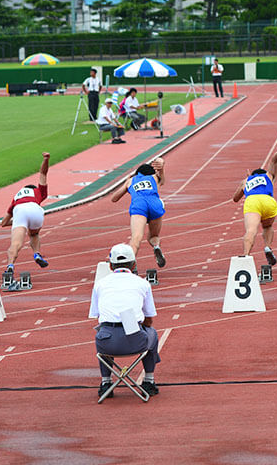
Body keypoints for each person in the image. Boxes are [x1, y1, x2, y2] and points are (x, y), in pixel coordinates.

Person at [89, 243, 161, 399]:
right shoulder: (143, 283)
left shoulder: (99, 285)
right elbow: (149, 320)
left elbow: (97, 316)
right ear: (134, 264)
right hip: (135, 341)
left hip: (106, 343)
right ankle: (149, 381)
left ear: (110, 265)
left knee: (104, 332)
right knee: (152, 333)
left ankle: (106, 383)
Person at [233, 144, 277, 262]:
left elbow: (235, 198)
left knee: (251, 230)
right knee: (267, 226)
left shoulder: (246, 181)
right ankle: (268, 247)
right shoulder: (269, 175)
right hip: (267, 200)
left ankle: (246, 256)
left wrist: (245, 183)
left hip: (252, 201)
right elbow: (274, 161)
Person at [0, 152, 51, 279]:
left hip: (20, 211)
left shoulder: (16, 198)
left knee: (15, 244)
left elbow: (4, 222)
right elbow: (43, 173)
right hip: (36, 210)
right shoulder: (38, 192)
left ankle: (10, 266)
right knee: (34, 234)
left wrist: (19, 223)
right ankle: (37, 254)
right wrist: (46, 159)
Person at [111, 159, 167, 267]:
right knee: (154, 236)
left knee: (136, 238)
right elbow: (162, 178)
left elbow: (114, 198)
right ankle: (156, 247)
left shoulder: (131, 180)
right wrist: (161, 166)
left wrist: (127, 183)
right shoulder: (154, 178)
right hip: (155, 204)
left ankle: (129, 266)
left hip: (139, 205)